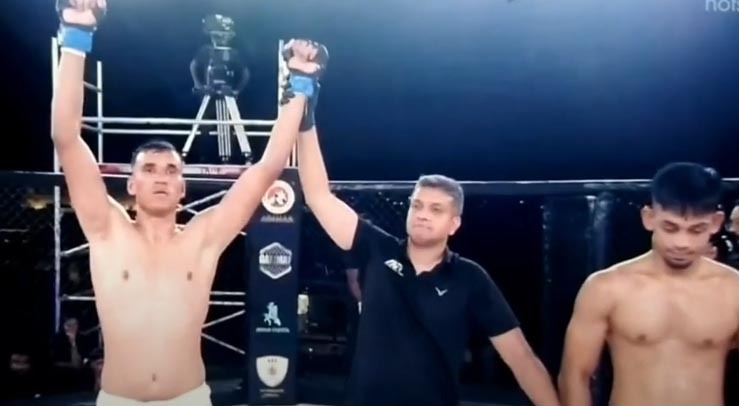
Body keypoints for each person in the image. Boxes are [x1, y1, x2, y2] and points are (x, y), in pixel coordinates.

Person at [52, 1, 327, 404]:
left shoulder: (202, 237)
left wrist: (300, 83)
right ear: (131, 184)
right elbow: (66, 137)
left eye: (170, 170)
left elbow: (268, 167)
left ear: (182, 187)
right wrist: (77, 35)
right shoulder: (107, 229)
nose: (161, 177)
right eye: (149, 170)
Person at [296, 103, 559, 404]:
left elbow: (521, 358)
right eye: (417, 205)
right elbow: (318, 195)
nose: (423, 214)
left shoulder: (469, 277)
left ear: (454, 224)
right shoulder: (376, 248)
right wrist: (306, 116)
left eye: (436, 209)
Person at [558, 162, 739, 406]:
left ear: (716, 223)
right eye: (670, 228)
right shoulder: (607, 288)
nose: (682, 242)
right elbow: (574, 375)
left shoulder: (733, 290)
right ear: (649, 217)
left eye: (696, 230)